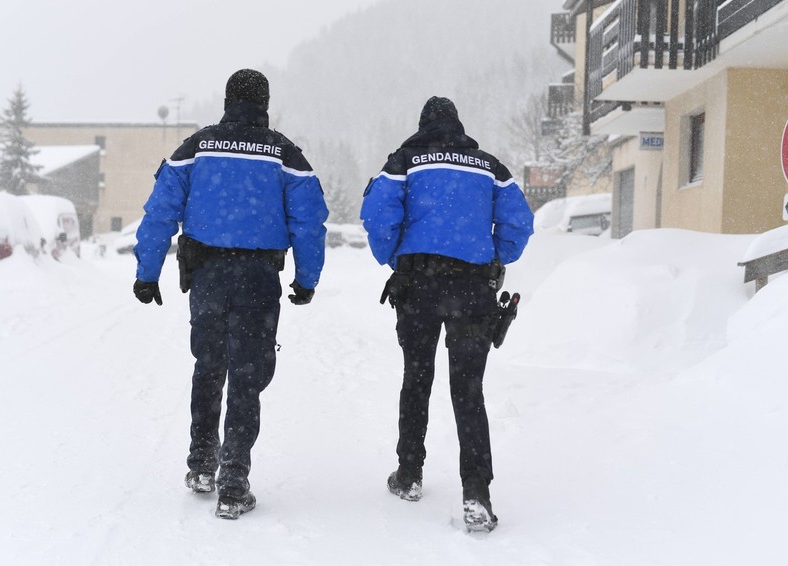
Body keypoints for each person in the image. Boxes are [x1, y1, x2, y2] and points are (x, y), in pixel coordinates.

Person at [132, 69, 328, 520]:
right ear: (265, 104)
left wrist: (147, 273)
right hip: (259, 277)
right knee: (246, 374)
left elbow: (160, 211)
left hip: (207, 274)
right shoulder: (285, 154)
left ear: (226, 101)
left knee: (209, 364)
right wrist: (306, 279)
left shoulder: (196, 147)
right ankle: (234, 483)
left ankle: (202, 464)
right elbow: (308, 222)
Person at [360, 96, 534, 532]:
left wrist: (396, 258)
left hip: (418, 285)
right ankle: (477, 494)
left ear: (423, 125)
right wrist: (495, 258)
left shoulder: (405, 161)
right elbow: (519, 223)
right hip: (473, 288)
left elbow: (377, 215)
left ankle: (409, 474)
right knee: (468, 390)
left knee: (416, 378)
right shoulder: (490, 167)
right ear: (458, 125)